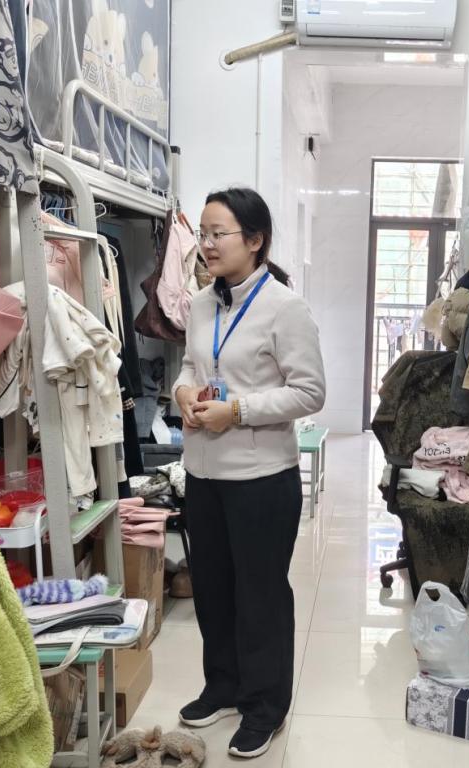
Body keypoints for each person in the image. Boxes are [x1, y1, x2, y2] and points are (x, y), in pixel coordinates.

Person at [172, 187, 326, 759]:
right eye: (203, 234)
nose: (207, 244)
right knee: (213, 589)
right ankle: (223, 686)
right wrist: (184, 393)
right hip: (203, 473)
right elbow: (189, 366)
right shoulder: (200, 304)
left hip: (261, 480)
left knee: (260, 596)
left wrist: (236, 411)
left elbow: (309, 392)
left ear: (255, 240)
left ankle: (265, 706)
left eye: (219, 234)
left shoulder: (285, 307)